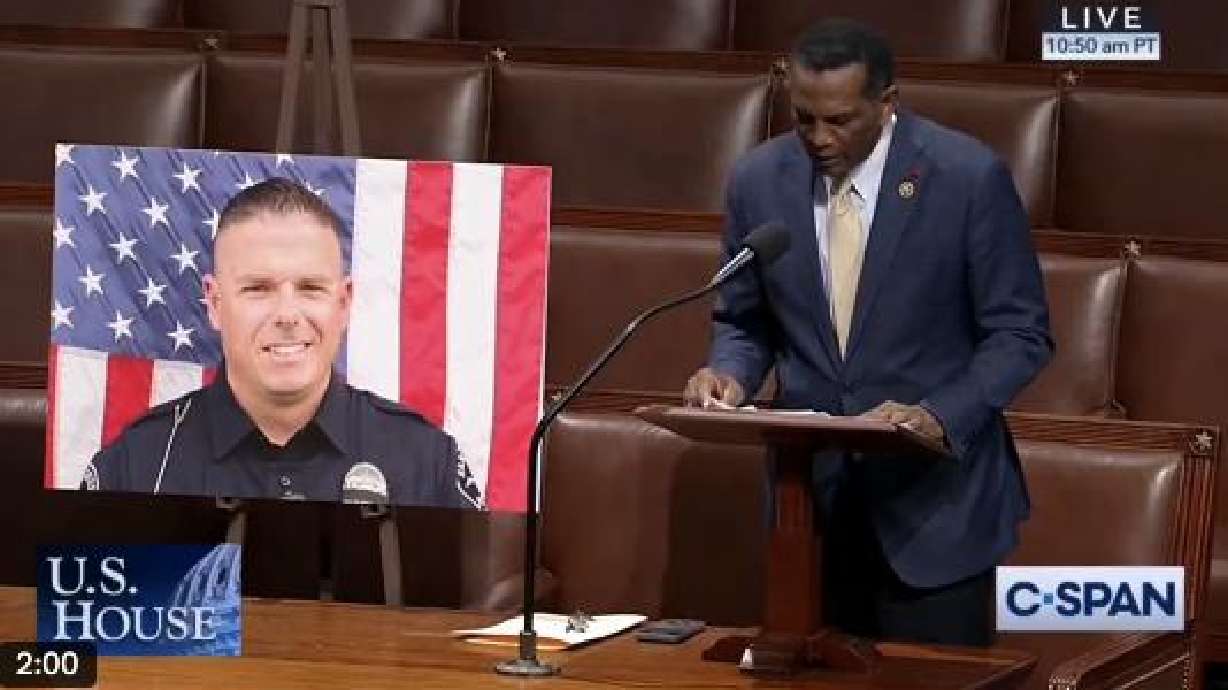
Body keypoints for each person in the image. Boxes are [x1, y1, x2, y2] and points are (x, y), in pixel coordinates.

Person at [683, 19, 1053, 646]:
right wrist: (730, 373)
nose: (819, 138)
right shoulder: (759, 180)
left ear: (887, 104)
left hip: (935, 511)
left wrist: (940, 414)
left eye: (840, 121)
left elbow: (1021, 334)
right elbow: (744, 323)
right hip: (812, 512)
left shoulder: (966, 178)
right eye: (805, 119)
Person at [82, 178, 480, 509]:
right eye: (258, 288)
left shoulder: (427, 463)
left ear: (343, 304)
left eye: (310, 288)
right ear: (216, 304)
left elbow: (486, 603)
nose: (288, 315)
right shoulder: (138, 466)